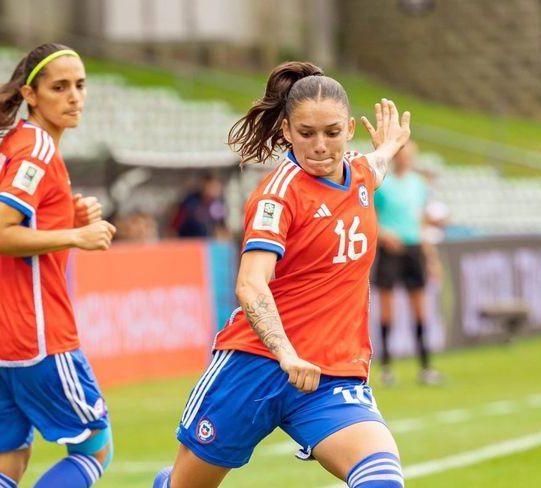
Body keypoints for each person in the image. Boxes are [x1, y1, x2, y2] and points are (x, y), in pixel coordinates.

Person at [153, 62, 412, 488]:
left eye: (331, 132)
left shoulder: (360, 174)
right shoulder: (278, 195)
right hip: (256, 365)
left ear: (349, 128)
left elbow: (373, 169)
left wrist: (388, 148)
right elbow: (250, 284)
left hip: (329, 376)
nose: (320, 145)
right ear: (287, 131)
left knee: (382, 478)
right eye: (306, 133)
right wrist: (286, 353)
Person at [0, 43, 117, 488]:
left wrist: (66, 215)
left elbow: (19, 221)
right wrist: (76, 235)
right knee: (95, 446)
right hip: (29, 325)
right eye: (59, 87)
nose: (74, 97)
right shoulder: (38, 151)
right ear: (31, 93)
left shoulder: (16, 143)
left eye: (80, 86)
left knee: (6, 459)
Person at [372, 140, 441, 387]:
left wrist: (430, 258)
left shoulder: (419, 185)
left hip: (413, 250)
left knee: (420, 309)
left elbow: (422, 222)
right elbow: (370, 216)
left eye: (411, 154)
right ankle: (387, 367)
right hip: (390, 250)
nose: (406, 158)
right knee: (387, 309)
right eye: (403, 154)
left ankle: (425, 366)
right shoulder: (382, 185)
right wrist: (383, 234)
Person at [169, 174, 229, 239]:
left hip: (208, 245)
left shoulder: (219, 204)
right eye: (211, 187)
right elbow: (174, 227)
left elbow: (222, 228)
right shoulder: (190, 203)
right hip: (188, 242)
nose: (215, 191)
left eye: (217, 188)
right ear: (204, 186)